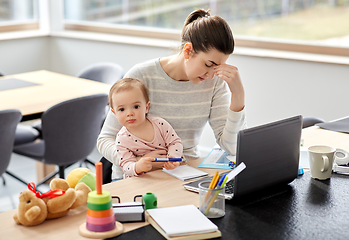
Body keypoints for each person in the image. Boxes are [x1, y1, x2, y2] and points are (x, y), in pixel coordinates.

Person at [97, 9, 247, 182]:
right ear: (188, 50)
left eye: (218, 67)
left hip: (185, 175)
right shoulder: (142, 76)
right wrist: (137, 162)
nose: (212, 74)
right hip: (136, 177)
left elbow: (232, 148)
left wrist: (238, 94)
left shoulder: (215, 83)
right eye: (208, 64)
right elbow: (105, 139)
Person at [109, 78, 183, 179]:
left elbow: (175, 142)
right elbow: (126, 165)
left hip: (167, 175)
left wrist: (174, 157)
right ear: (115, 114)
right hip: (141, 180)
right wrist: (138, 166)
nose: (129, 113)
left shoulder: (160, 124)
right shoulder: (122, 139)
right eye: (122, 109)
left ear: (146, 107)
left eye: (136, 107)